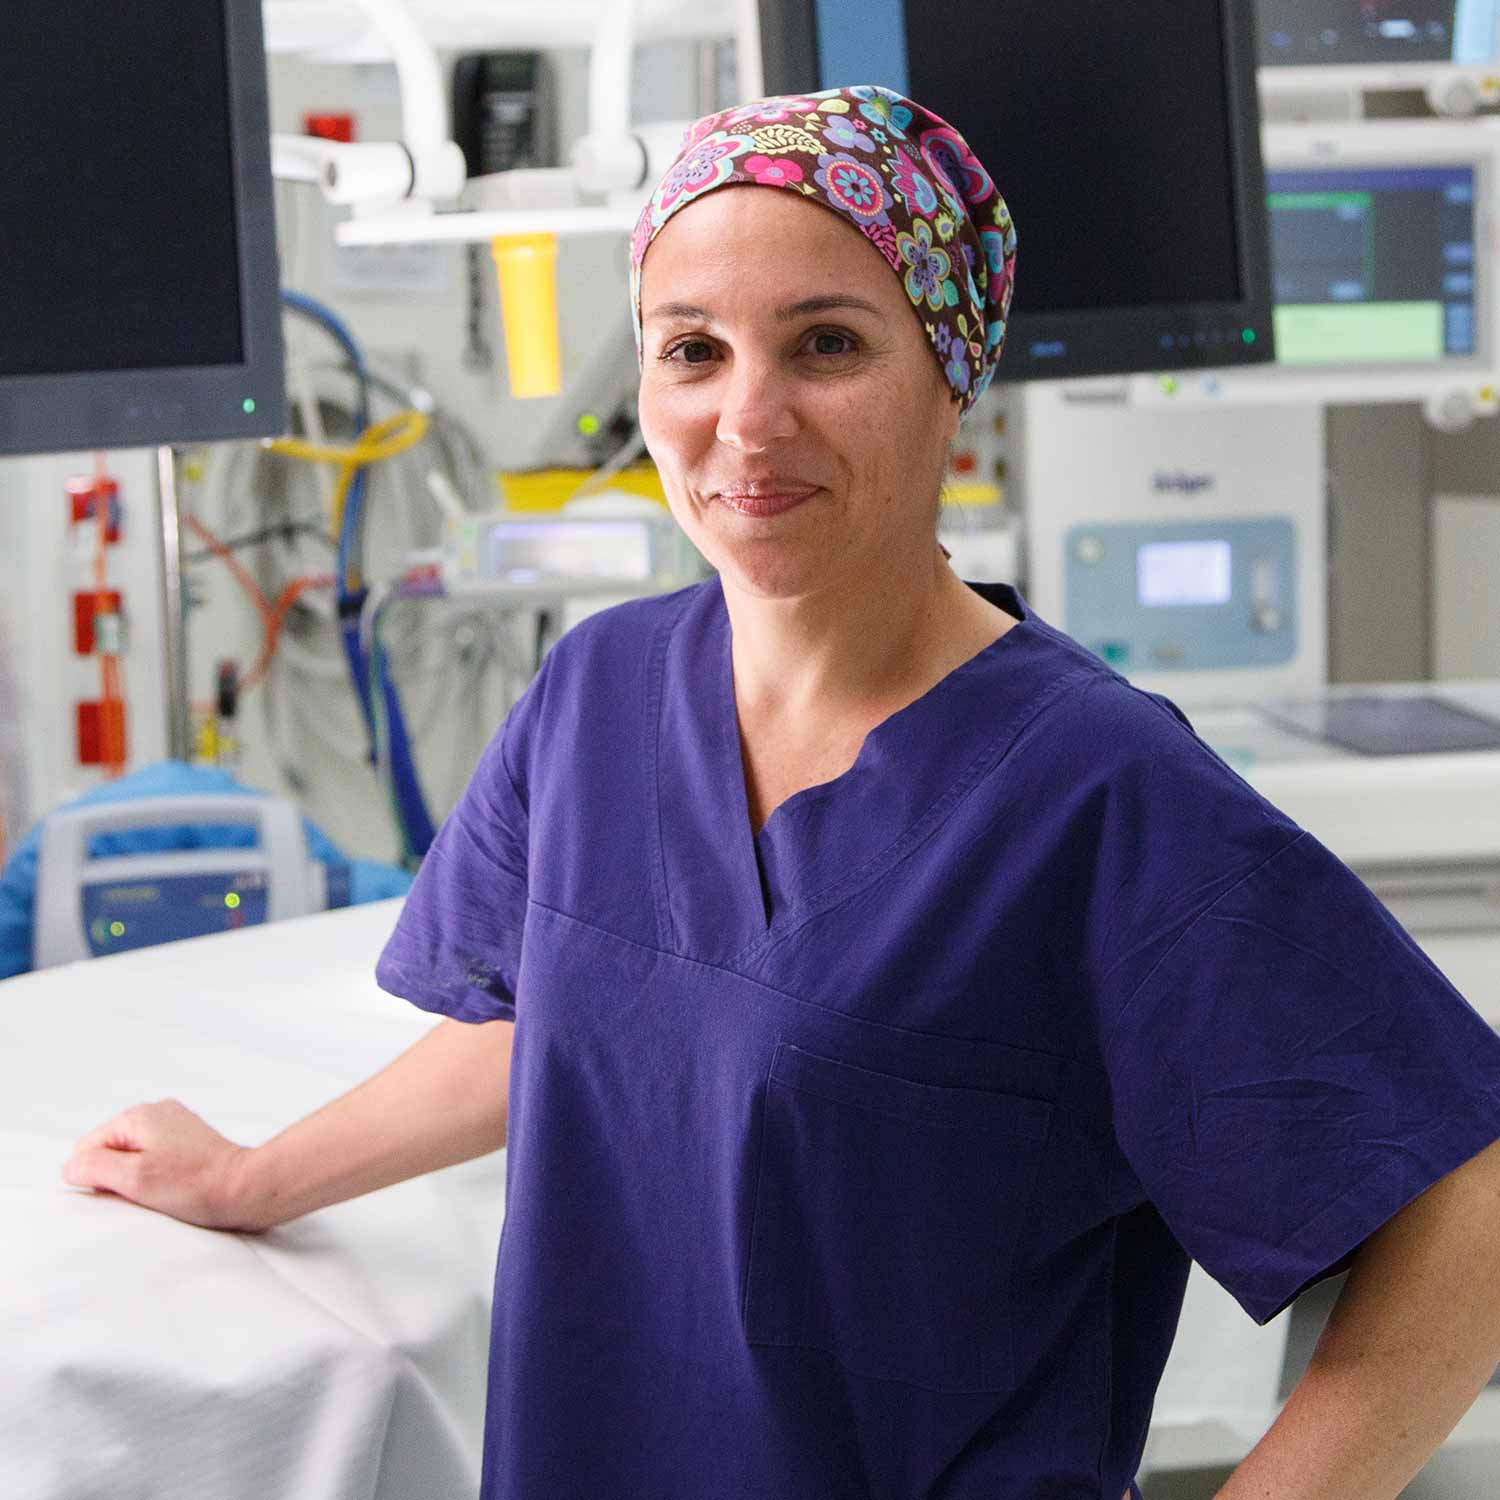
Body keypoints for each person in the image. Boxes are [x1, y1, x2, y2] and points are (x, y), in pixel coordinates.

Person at [65, 86, 1500, 1500]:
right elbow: (567, 1018)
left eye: (826, 344)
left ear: (954, 373)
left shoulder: (1098, 794)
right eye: (693, 349)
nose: (749, 421)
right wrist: (256, 1180)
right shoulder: (596, 694)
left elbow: (1467, 1214)